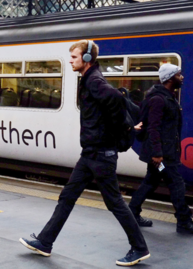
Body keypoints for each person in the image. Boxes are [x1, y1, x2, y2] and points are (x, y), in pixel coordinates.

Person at [19, 40, 150, 267]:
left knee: (115, 203)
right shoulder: (89, 79)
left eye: (74, 57)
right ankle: (45, 241)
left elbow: (116, 98)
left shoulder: (95, 81)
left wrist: (124, 128)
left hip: (101, 154)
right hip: (90, 153)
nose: (70, 60)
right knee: (67, 197)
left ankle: (139, 248)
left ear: (87, 58)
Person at [128, 64, 193, 234]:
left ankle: (132, 212)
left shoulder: (167, 97)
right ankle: (184, 221)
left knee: (151, 182)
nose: (182, 77)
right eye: (179, 75)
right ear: (170, 78)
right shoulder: (159, 100)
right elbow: (153, 128)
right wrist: (158, 154)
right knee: (176, 183)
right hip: (162, 156)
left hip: (163, 153)